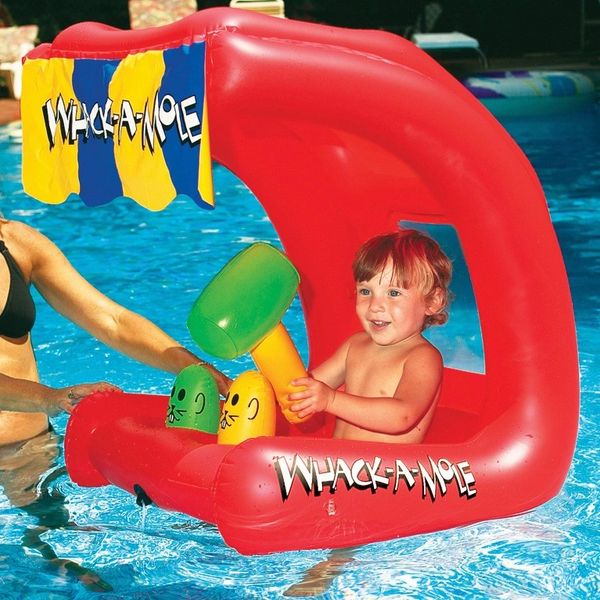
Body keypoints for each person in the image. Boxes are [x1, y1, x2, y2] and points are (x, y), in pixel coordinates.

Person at [0, 216, 230, 591]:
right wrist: (51, 397)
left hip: (31, 450)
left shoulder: (19, 244)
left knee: (74, 560)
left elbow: (113, 320)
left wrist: (193, 367)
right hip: (38, 423)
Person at [289, 228, 452, 442]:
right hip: (338, 461)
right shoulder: (354, 345)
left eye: (393, 293)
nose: (375, 306)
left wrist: (330, 400)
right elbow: (306, 387)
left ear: (432, 302)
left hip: (384, 465)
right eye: (365, 291)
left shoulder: (422, 357)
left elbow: (401, 416)